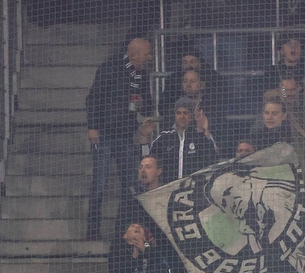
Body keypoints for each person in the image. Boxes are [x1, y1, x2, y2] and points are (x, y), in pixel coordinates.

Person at [85, 38, 152, 240]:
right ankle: (93, 230)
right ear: (134, 55)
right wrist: (93, 127)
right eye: (147, 54)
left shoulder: (142, 74)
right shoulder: (110, 68)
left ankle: (124, 229)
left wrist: (142, 105)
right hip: (104, 134)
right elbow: (94, 97)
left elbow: (147, 103)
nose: (149, 58)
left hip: (125, 135)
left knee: (129, 183)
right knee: (99, 183)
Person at [142, 97, 218, 184]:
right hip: (168, 191)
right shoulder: (164, 138)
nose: (182, 117)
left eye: (185, 113)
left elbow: (214, 158)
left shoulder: (200, 137)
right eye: (178, 113)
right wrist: (144, 137)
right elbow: (147, 160)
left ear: (192, 116)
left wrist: (204, 130)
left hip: (194, 192)